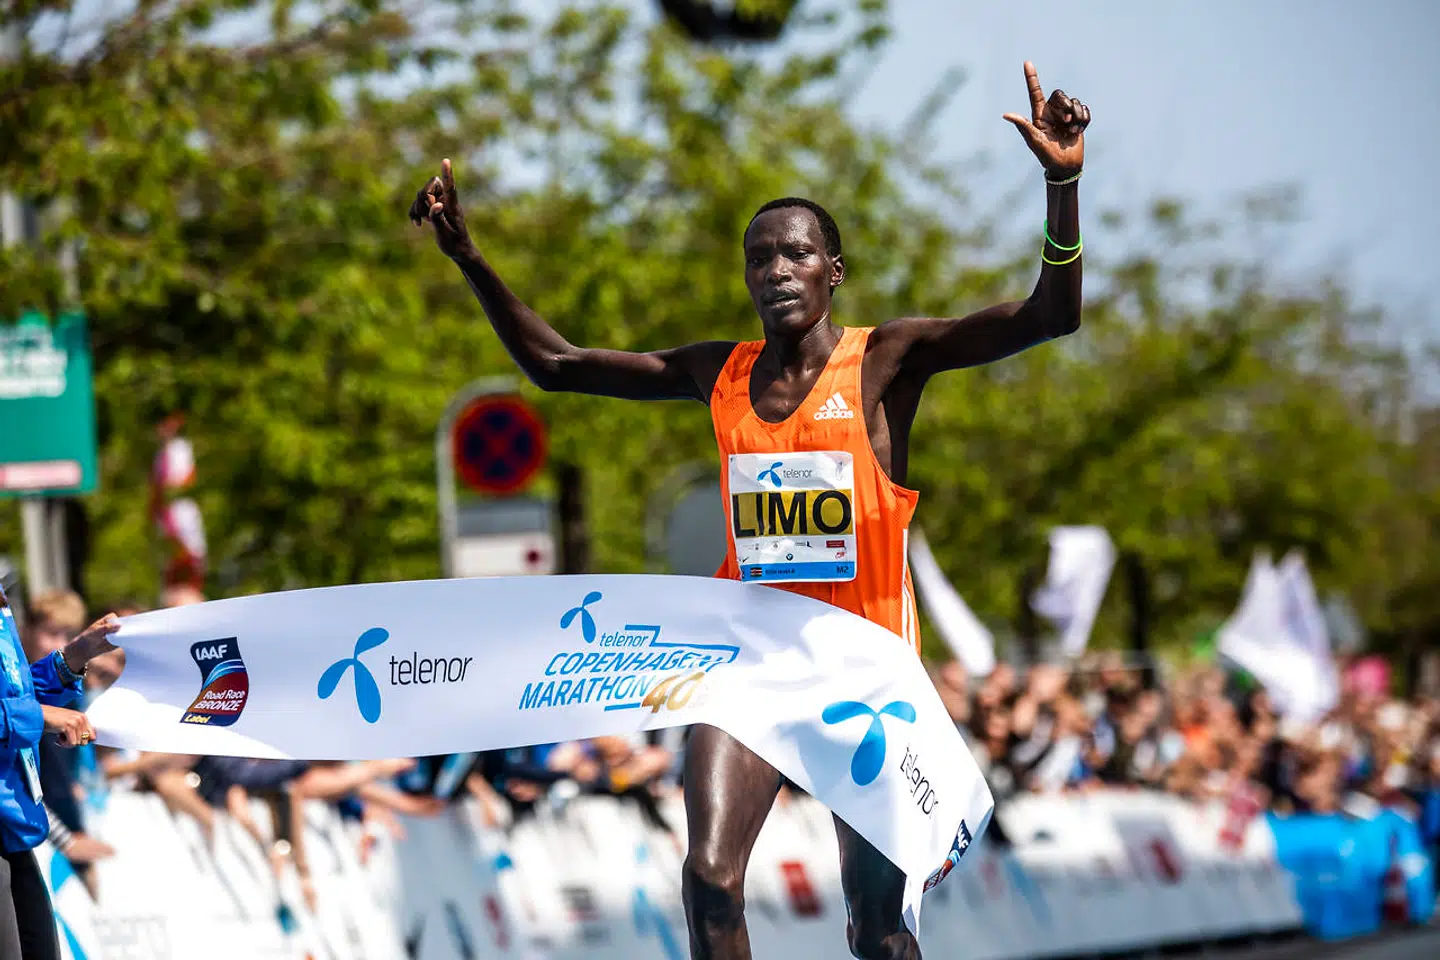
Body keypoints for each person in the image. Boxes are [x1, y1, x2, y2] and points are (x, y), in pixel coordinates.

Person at [411, 60, 1090, 960]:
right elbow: (559, 366)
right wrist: (469, 258)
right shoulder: (716, 372)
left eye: (797, 253)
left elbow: (1051, 316)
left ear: (834, 272)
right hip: (753, 664)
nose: (775, 269)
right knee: (710, 879)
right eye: (759, 256)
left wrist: (1063, 183)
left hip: (865, 672)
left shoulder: (886, 361)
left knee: (880, 933)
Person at [0, 584, 121, 960]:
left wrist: (74, 656)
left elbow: (17, 694)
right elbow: (24, 711)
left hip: (14, 834)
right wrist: (38, 717)